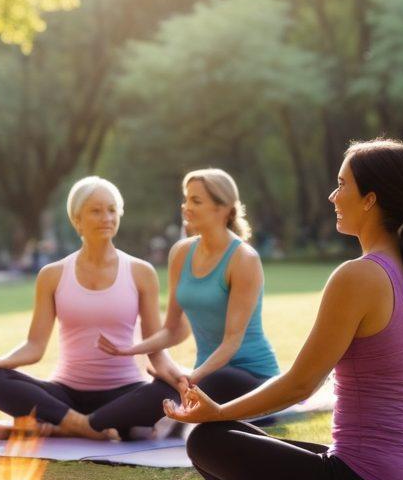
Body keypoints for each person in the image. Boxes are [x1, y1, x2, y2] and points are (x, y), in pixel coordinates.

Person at [165, 139, 403, 480]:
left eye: (342, 185)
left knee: (207, 439)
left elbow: (301, 384)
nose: (332, 195)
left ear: (370, 199)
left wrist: (217, 413)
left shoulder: (358, 276)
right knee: (295, 450)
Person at [0, 177, 178, 441]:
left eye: (112, 210)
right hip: (65, 395)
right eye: (96, 210)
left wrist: (176, 376)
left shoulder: (141, 272)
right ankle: (83, 424)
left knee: (167, 392)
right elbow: (34, 346)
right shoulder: (52, 275)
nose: (107, 217)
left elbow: (154, 348)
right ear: (77, 219)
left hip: (123, 393)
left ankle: (62, 426)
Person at [99, 168, 280, 415]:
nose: (186, 207)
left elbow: (232, 342)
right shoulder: (181, 253)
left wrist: (192, 377)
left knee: (209, 383)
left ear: (223, 208)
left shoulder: (243, 259)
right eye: (186, 199)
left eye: (196, 200)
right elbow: (172, 329)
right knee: (161, 387)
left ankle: (161, 418)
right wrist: (130, 350)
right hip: (206, 374)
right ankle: (90, 425)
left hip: (254, 376)